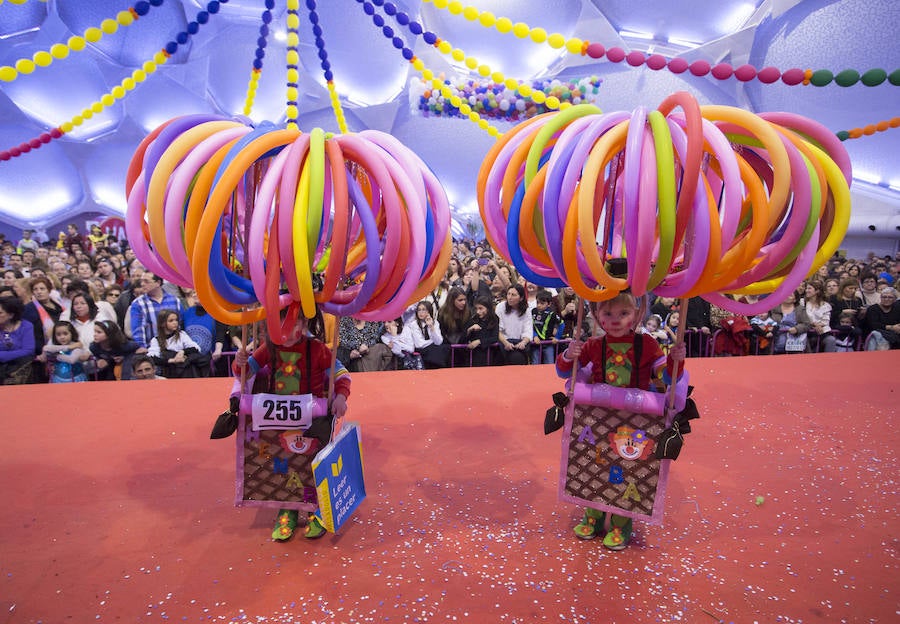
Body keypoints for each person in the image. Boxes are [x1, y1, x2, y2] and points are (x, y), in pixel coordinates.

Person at [555, 292, 686, 551]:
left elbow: (666, 377)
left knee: (628, 471)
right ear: (597, 317)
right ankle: (592, 515)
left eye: (623, 314)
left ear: (637, 315)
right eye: (608, 314)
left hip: (636, 418)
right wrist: (570, 355)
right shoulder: (594, 345)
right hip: (599, 416)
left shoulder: (647, 345)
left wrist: (674, 362)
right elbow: (563, 371)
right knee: (594, 465)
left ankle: (621, 523)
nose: (615, 320)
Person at [233, 308, 351, 540]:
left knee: (311, 464)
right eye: (278, 326)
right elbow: (245, 373)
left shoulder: (317, 349)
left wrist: (340, 396)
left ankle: (316, 509)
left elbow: (341, 374)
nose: (285, 333)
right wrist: (239, 363)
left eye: (290, 324)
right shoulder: (269, 348)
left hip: (313, 420)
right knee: (285, 464)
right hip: (279, 420)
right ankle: (287, 508)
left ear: (303, 321)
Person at [147, 309, 207, 378]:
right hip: (169, 372)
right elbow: (152, 358)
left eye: (176, 320)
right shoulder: (156, 340)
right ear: (162, 323)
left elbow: (195, 348)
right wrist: (171, 360)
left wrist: (182, 352)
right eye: (171, 321)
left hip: (186, 370)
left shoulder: (182, 334)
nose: (175, 323)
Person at [129, 272, 182, 348]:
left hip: (175, 348)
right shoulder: (138, 303)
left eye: (146, 281)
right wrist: (143, 348)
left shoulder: (175, 300)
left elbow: (180, 324)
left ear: (158, 283)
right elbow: (138, 330)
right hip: (151, 349)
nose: (142, 284)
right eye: (142, 281)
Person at [403, 300, 449, 368]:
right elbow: (419, 344)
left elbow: (439, 342)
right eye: (419, 310)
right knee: (436, 350)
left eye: (424, 310)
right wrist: (432, 341)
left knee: (444, 347)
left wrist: (431, 327)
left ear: (429, 311)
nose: (421, 312)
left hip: (431, 350)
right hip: (421, 350)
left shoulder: (435, 322)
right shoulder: (413, 324)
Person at [0, 296, 35, 384]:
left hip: (20, 369)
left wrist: (2, 355)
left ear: (11, 315)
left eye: (0, 313)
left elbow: (28, 350)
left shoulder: (26, 326)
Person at [496, 284, 532, 365]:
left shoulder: (527, 310)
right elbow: (497, 330)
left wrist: (523, 342)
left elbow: (528, 330)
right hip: (504, 342)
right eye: (508, 294)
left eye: (513, 295)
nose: (509, 297)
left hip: (520, 344)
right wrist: (506, 343)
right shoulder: (500, 307)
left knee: (518, 358)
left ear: (521, 298)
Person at [465, 295, 500, 367]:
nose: (478, 311)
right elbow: (464, 339)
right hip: (473, 356)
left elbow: (494, 338)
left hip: (489, 355)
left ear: (488, 308)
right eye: (476, 308)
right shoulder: (473, 319)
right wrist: (469, 329)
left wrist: (479, 341)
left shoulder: (494, 319)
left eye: (481, 308)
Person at [802, 280, 835, 352]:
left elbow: (825, 321)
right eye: (806, 288)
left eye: (809, 288)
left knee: (831, 340)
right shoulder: (802, 303)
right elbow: (801, 317)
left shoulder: (826, 305)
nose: (806, 290)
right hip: (806, 331)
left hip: (821, 332)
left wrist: (818, 325)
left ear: (817, 291)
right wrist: (814, 324)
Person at [531, 289, 561, 364]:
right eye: (537, 302)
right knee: (535, 363)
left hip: (548, 343)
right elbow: (530, 326)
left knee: (550, 363)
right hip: (536, 344)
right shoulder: (533, 311)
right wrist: (534, 336)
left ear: (549, 304)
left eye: (542, 303)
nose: (539, 305)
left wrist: (557, 337)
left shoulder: (552, 313)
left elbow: (562, 324)